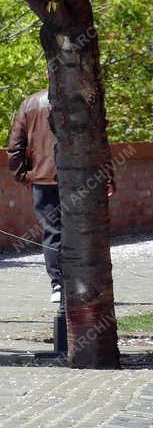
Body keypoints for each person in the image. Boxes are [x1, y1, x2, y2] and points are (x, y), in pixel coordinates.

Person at [6, 85, 61, 302]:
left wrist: (23, 175)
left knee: (52, 231)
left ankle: (58, 285)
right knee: (79, 230)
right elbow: (100, 142)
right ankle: (79, 284)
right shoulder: (82, 100)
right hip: (79, 179)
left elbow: (15, 145)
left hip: (43, 178)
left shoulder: (30, 103)